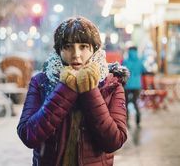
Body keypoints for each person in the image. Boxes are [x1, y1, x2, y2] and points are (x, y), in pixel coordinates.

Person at [17, 16, 128, 166]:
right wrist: (65, 88)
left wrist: (89, 90)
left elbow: (114, 141)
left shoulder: (112, 85)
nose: (76, 54)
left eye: (83, 46)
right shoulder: (41, 82)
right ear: (59, 50)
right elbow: (28, 135)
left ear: (94, 49)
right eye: (68, 46)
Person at [122, 46, 146, 128]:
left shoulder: (125, 61)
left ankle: (126, 121)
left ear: (129, 51)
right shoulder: (140, 61)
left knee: (126, 103)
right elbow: (144, 71)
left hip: (127, 85)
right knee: (135, 102)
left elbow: (121, 72)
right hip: (137, 85)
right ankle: (138, 120)